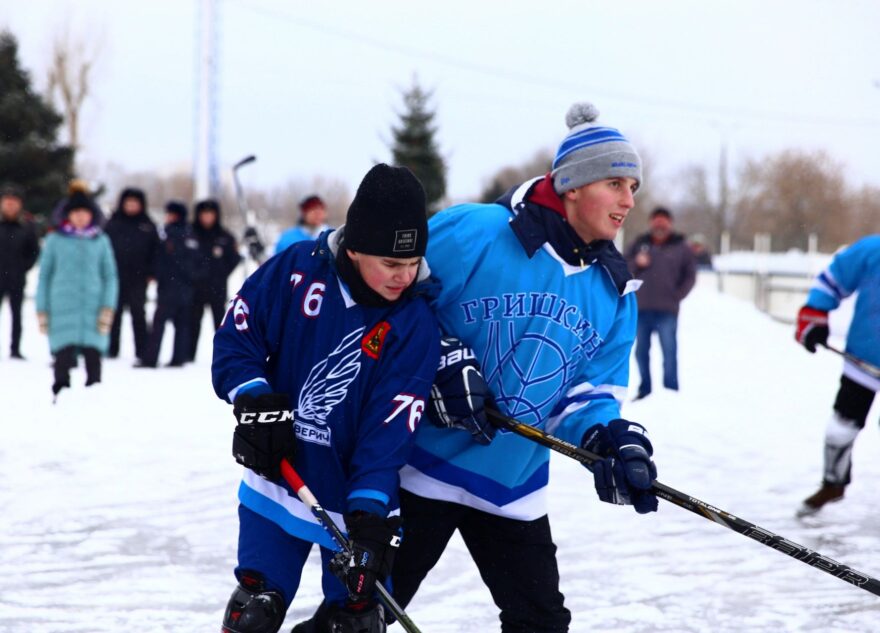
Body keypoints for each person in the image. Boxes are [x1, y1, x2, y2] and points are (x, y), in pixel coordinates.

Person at [320, 102, 654, 633]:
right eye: (615, 183)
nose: (628, 201)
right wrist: (440, 360)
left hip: (511, 485)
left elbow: (586, 391)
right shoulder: (475, 232)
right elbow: (390, 295)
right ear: (573, 186)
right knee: (356, 618)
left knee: (541, 623)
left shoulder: (615, 292)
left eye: (633, 187)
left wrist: (611, 438)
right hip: (416, 467)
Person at [212, 164, 440, 633]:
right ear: (354, 249)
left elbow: (389, 431)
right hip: (279, 479)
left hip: (352, 500)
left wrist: (370, 514)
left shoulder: (414, 325)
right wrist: (256, 403)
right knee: (253, 611)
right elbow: (238, 338)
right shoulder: (297, 269)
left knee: (354, 625)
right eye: (391, 264)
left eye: (412, 262)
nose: (404, 276)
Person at [794, 235, 880, 516]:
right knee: (839, 430)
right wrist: (815, 314)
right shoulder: (873, 250)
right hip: (864, 359)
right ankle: (833, 484)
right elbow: (833, 279)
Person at [35, 185, 118, 399]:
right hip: (61, 307)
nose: (80, 217)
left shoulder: (100, 241)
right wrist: (42, 309)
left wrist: (108, 307)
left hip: (93, 307)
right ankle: (60, 395)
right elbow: (44, 276)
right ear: (68, 215)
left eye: (84, 212)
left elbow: (110, 276)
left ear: (91, 215)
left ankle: (94, 395)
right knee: (62, 355)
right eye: (76, 212)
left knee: (93, 355)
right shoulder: (54, 240)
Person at [625, 206, 696, 400]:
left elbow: (690, 275)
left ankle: (670, 392)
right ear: (651, 223)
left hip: (667, 310)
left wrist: (677, 295)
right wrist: (636, 264)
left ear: (670, 224)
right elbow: (622, 269)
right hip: (641, 309)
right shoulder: (639, 244)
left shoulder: (681, 246)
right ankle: (645, 390)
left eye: (664, 221)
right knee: (640, 352)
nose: (660, 225)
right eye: (656, 221)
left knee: (669, 351)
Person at [137, 201, 203, 368]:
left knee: (159, 324)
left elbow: (164, 261)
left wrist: (157, 274)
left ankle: (150, 359)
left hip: (169, 287)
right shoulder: (191, 235)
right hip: (186, 288)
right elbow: (197, 263)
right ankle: (178, 358)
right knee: (182, 324)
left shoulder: (169, 235)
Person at [104, 187, 159, 360]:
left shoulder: (148, 226)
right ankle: (111, 349)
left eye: (135, 203)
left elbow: (156, 252)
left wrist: (152, 272)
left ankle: (141, 350)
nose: (132, 206)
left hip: (139, 277)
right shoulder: (112, 224)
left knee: (138, 313)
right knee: (114, 312)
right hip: (115, 276)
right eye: (128, 203)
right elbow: (104, 250)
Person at [189, 198, 242, 361]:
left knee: (221, 323)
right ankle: (187, 355)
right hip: (194, 287)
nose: (207, 217)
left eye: (210, 213)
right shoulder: (190, 233)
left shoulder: (225, 236)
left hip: (217, 287)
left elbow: (234, 258)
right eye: (204, 213)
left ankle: (224, 356)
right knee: (192, 322)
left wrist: (220, 272)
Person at [0, 185, 40, 360]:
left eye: (13, 202)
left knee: (17, 315)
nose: (10, 205)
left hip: (17, 277)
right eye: (7, 202)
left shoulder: (27, 226)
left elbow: (34, 251)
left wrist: (23, 266)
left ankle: (15, 348)